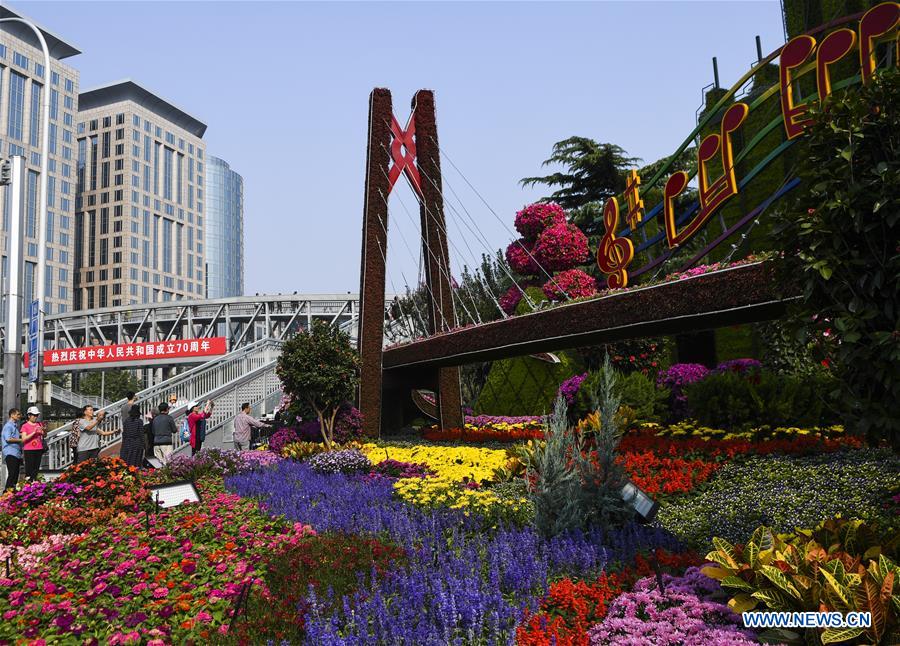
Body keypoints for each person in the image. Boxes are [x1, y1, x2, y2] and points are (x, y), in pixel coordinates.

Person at [2, 408, 23, 491]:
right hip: (11, 453)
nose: (19, 416)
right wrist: (21, 440)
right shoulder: (8, 426)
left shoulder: (14, 426)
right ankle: (6, 492)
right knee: (12, 473)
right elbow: (8, 439)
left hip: (16, 453)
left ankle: (11, 492)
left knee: (15, 474)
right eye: (17, 414)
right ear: (12, 415)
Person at [21, 407, 45, 480]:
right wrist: (34, 432)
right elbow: (24, 439)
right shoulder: (25, 426)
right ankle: (28, 485)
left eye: (37, 415)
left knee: (36, 469)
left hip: (39, 448)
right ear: (29, 416)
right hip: (29, 450)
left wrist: (44, 430)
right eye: (34, 415)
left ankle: (34, 485)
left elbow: (44, 435)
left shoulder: (39, 424)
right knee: (29, 469)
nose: (35, 417)